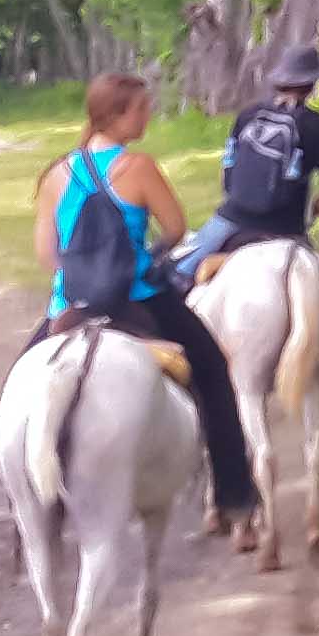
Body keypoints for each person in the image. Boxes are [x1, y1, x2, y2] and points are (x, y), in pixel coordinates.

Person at [31, 71, 259, 532]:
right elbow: (175, 229)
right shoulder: (138, 167)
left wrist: (79, 276)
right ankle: (234, 495)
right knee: (214, 371)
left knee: (19, 386)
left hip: (70, 308)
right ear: (116, 115)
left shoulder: (56, 173)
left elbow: (46, 253)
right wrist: (143, 256)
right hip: (136, 300)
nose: (147, 116)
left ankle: (27, 512)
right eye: (141, 109)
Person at [167, 44, 319, 284]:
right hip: (287, 228)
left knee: (176, 273)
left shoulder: (248, 115)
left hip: (233, 217)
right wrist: (307, 217)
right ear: (312, 84)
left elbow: (229, 170)